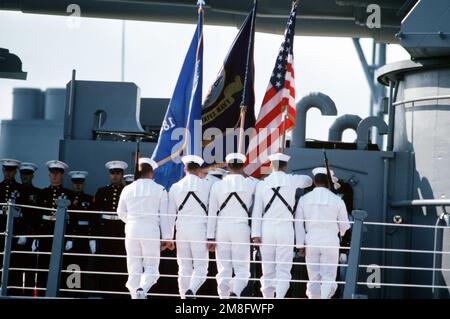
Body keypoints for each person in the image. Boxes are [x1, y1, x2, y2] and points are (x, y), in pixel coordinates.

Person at [251, 152, 312, 298]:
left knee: (267, 270)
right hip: (285, 229)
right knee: (283, 270)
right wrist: (291, 177)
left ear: (271, 165)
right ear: (285, 166)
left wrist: (255, 234)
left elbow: (257, 212)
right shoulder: (292, 180)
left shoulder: (262, 184)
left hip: (266, 230)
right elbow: (309, 181)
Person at [117, 158, 172, 299]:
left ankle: (135, 296)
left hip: (131, 230)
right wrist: (167, 238)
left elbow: (120, 212)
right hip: (150, 230)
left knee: (133, 267)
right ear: (151, 172)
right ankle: (143, 288)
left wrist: (131, 222)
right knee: (151, 266)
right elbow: (164, 216)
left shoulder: (127, 189)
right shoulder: (160, 189)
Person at [207, 153, 258, 299]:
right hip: (241, 228)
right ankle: (235, 292)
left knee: (223, 269)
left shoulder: (217, 185)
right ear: (242, 166)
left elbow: (212, 213)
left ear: (228, 166)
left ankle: (224, 298)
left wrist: (210, 236)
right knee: (242, 270)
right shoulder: (251, 183)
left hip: (221, 229)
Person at [295, 167, 350, 299]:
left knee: (313, 277)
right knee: (328, 276)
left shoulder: (304, 199)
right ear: (328, 182)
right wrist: (341, 234)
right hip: (330, 241)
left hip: (311, 241)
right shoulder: (337, 200)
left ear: (314, 182)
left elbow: (298, 224)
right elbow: (344, 225)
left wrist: (300, 245)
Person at [168, 155, 213, 298]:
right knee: (201, 267)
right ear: (199, 169)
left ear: (185, 168)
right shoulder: (207, 186)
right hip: (200, 230)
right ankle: (192, 290)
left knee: (183, 268)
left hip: (181, 231)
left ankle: (183, 298)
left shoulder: (175, 187)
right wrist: (212, 236)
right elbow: (212, 213)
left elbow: (169, 215)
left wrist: (169, 237)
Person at [35, 160, 74, 294]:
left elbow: (73, 218)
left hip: (62, 231)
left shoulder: (70, 194)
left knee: (62, 264)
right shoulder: (42, 193)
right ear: (49, 175)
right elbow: (37, 216)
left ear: (62, 175)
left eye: (58, 173)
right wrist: (36, 236)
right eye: (53, 173)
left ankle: (61, 293)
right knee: (43, 264)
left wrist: (70, 237)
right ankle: (41, 293)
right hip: (46, 232)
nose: (55, 176)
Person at [93, 160, 128, 297]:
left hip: (121, 230)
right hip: (105, 230)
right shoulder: (102, 191)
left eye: (118, 173)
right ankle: (105, 293)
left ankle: (120, 293)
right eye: (112, 173)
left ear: (122, 175)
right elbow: (95, 215)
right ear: (109, 175)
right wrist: (93, 237)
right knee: (105, 263)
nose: (115, 176)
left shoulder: (127, 191)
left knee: (121, 263)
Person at [63, 171, 95, 296]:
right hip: (68, 237)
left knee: (82, 265)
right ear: (72, 183)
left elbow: (92, 220)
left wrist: (92, 238)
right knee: (69, 265)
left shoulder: (89, 199)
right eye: (75, 183)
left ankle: (79, 294)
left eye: (80, 183)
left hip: (83, 237)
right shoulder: (66, 198)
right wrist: (70, 237)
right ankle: (70, 293)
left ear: (84, 184)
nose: (77, 185)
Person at [10, 162, 40, 296]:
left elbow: (37, 217)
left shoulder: (37, 193)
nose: (25, 177)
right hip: (14, 236)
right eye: (23, 174)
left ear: (32, 175)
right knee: (13, 268)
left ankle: (28, 295)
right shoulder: (13, 190)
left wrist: (35, 236)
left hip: (30, 236)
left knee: (29, 268)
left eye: (28, 174)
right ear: (20, 175)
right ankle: (13, 293)